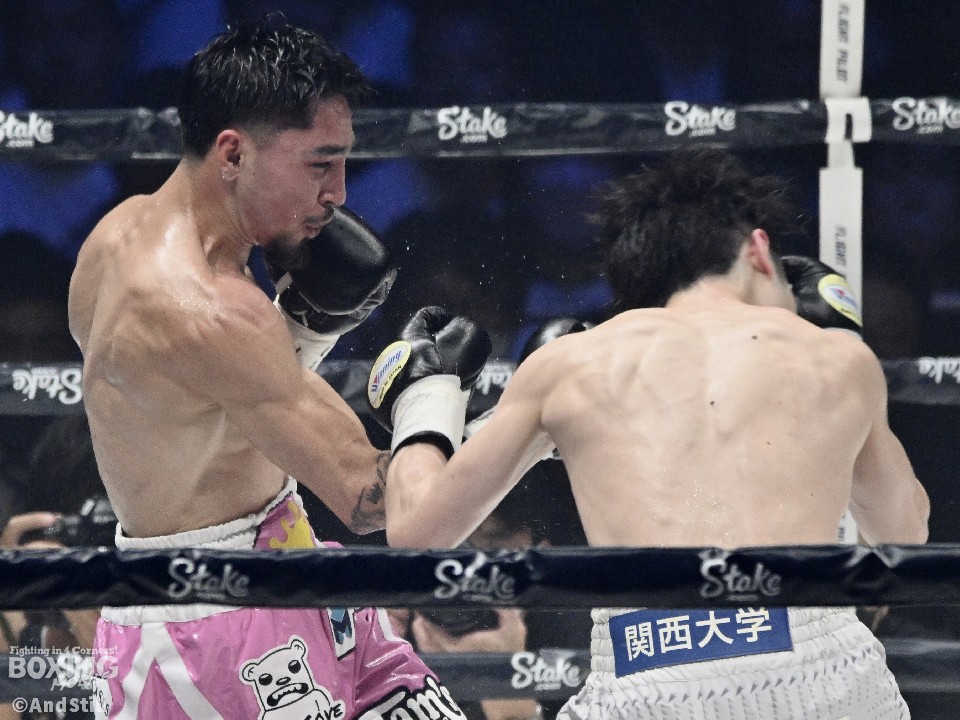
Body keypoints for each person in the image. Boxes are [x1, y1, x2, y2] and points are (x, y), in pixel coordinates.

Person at [367, 148, 929, 719]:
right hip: (821, 669)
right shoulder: (833, 357)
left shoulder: (570, 364)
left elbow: (419, 533)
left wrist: (426, 401)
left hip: (649, 668)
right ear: (759, 251)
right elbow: (902, 534)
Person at [69, 17, 480, 719]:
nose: (339, 192)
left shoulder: (116, 236)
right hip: (216, 636)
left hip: (287, 560)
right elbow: (374, 502)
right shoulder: (212, 309)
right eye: (320, 164)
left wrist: (305, 325)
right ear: (233, 153)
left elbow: (216, 412)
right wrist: (433, 397)